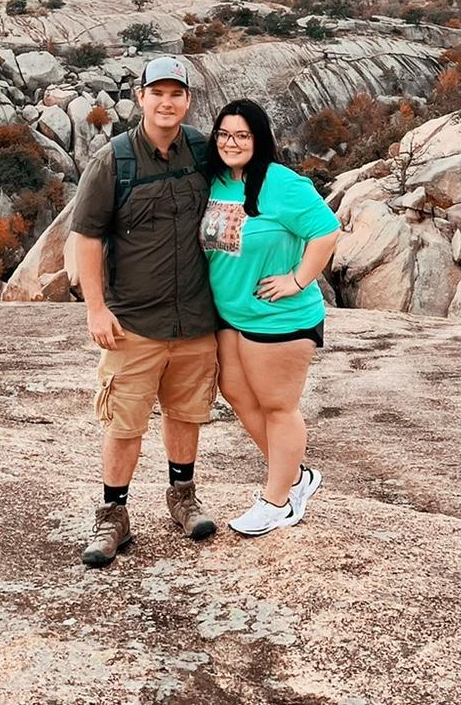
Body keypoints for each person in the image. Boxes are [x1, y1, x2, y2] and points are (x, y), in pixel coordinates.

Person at [68, 55, 220, 567]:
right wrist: (95, 309)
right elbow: (86, 237)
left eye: (176, 93)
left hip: (196, 318)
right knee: (125, 422)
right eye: (158, 92)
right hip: (134, 321)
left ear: (188, 101)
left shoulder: (203, 151)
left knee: (186, 412)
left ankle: (183, 497)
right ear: (140, 98)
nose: (167, 102)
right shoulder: (115, 161)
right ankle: (113, 515)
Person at [200, 98, 341, 537]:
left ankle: (277, 500)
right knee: (238, 395)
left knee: (278, 406)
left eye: (243, 135)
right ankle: (297, 477)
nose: (232, 142)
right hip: (229, 315)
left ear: (259, 139)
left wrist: (298, 280)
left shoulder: (283, 184)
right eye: (224, 134)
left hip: (278, 319)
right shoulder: (216, 181)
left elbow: (326, 230)